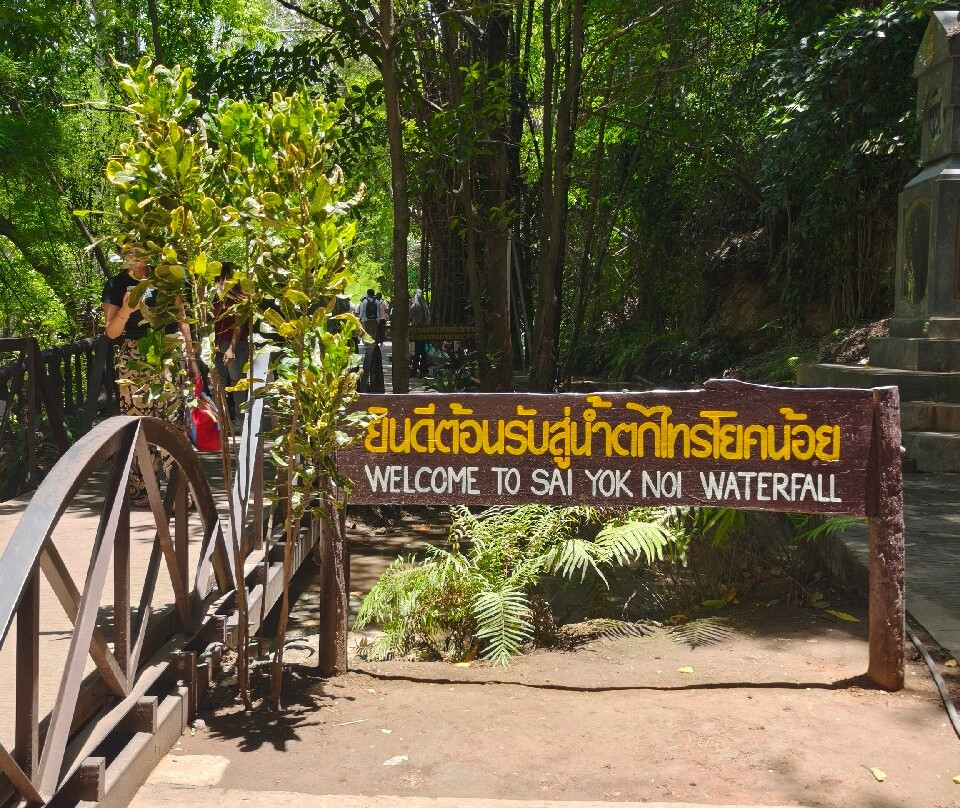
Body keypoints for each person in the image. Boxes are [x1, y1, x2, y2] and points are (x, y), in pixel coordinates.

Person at [102, 244, 199, 505]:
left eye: (138, 250)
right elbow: (110, 332)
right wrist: (126, 309)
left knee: (173, 417)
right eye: (127, 251)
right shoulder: (115, 284)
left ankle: (180, 490)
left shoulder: (165, 278)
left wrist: (191, 357)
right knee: (137, 421)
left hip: (168, 349)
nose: (133, 257)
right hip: (132, 355)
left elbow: (182, 318)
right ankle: (141, 487)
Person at [213, 262, 249, 421]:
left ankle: (241, 420)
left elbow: (239, 325)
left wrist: (232, 348)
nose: (221, 283)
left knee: (237, 382)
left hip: (235, 345)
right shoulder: (214, 297)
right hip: (217, 344)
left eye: (225, 279)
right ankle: (221, 421)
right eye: (219, 280)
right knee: (218, 382)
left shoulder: (239, 298)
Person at [410, 288, 431, 377]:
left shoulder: (413, 306)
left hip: (416, 333)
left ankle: (414, 370)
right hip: (425, 332)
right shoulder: (425, 305)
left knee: (416, 352)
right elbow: (428, 317)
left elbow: (410, 318)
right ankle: (424, 370)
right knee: (424, 351)